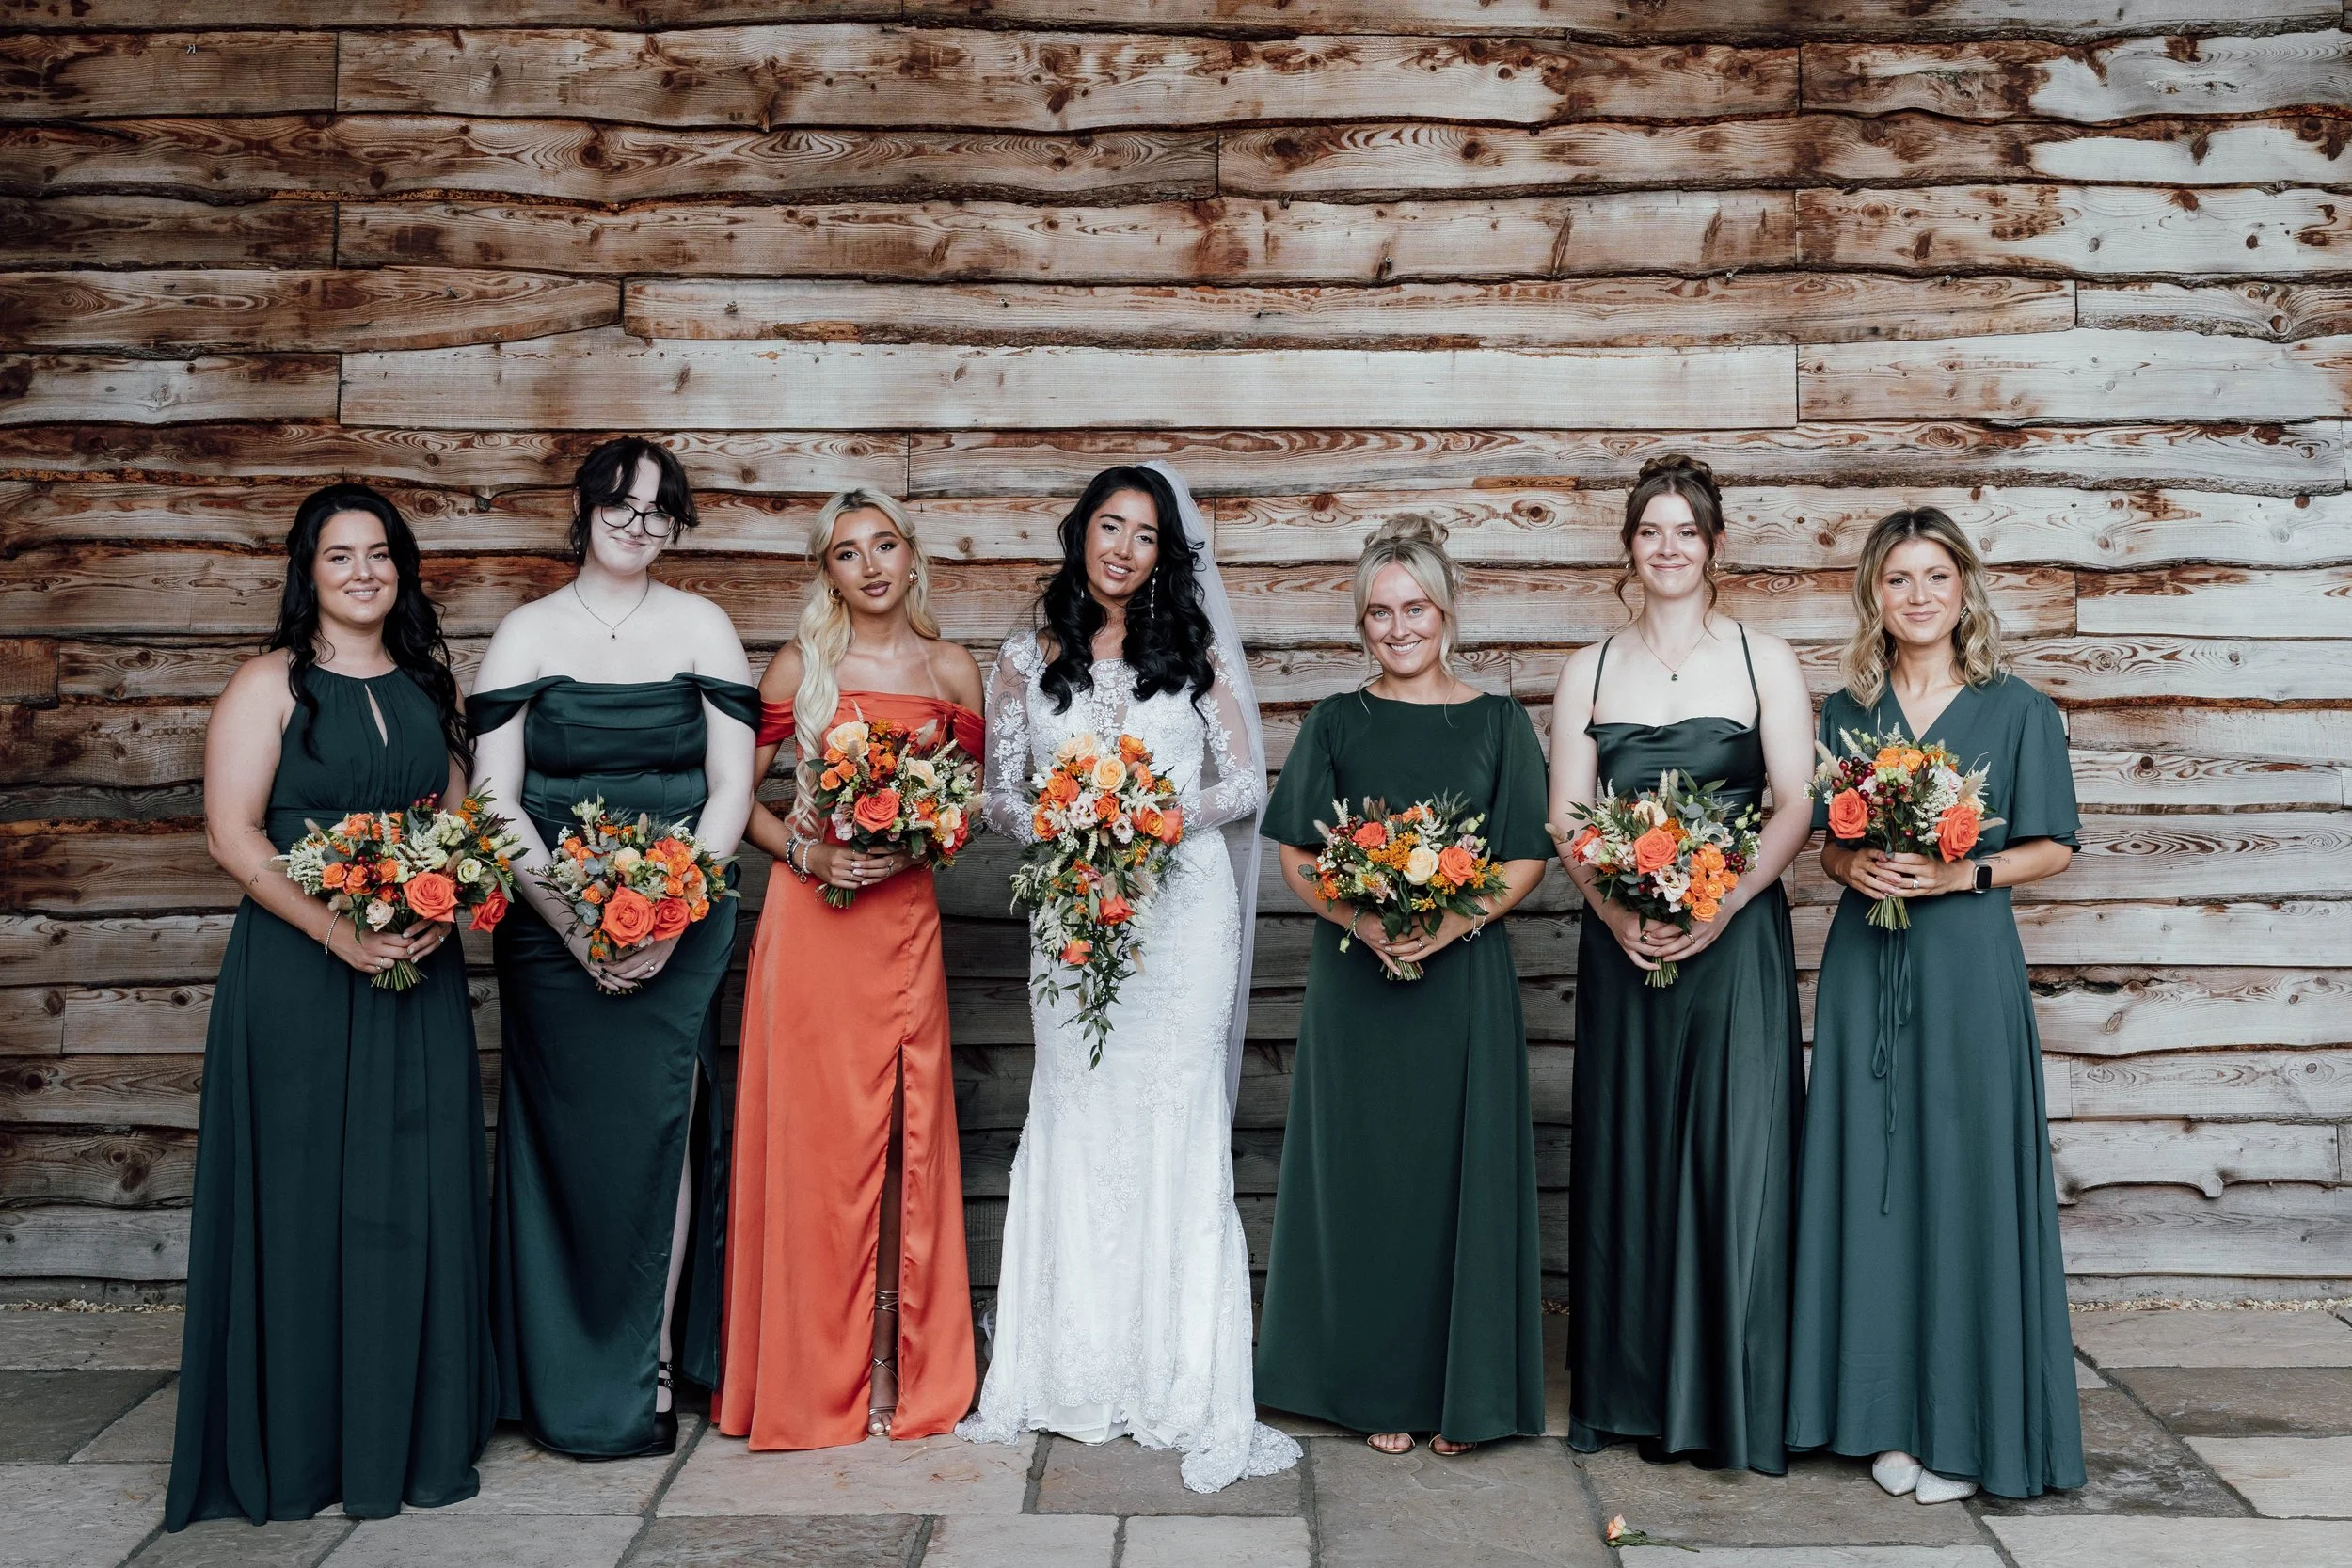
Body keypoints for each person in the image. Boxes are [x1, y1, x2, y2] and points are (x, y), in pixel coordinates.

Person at [957, 462, 1298, 1494]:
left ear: (1165, 555)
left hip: (1182, 910)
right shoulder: (1024, 657)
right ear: (1080, 532)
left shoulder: (1192, 655)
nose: (1122, 548)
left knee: (1171, 1106)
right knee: (1080, 1104)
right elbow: (996, 796)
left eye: (1144, 536)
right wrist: (1069, 818)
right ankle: (1069, 1363)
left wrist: (1152, 814)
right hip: (1071, 912)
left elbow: (1243, 780)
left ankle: (1177, 1371)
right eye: (1109, 526)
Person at [168, 484, 494, 1528]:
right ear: (307, 571)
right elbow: (233, 834)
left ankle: (404, 1436)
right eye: (339, 555)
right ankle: (300, 1443)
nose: (364, 571)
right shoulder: (267, 683)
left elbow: (453, 820)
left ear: (402, 566)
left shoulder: (428, 683)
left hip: (415, 971)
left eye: (380, 553)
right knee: (306, 1196)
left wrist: (443, 903)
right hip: (301, 976)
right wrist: (339, 932)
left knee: (412, 1195)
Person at [1788, 506, 2086, 1503]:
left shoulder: (2017, 710)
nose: (1918, 596)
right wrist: (1850, 859)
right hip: (1868, 964)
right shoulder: (1845, 712)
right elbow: (1822, 845)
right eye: (1897, 579)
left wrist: (1965, 877)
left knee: (1960, 1180)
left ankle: (1965, 1423)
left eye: (1935, 577)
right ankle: (1885, 1411)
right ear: (1874, 593)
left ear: (1965, 589)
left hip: (1966, 971)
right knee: (1874, 1177)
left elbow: (2055, 844)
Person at [469, 437, 758, 1458]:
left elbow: (732, 787)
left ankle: (657, 1362)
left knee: (660, 1129)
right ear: (583, 510)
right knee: (563, 1137)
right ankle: (551, 1367)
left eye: (658, 511)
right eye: (620, 506)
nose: (638, 526)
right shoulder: (524, 633)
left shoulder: (704, 626)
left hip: (686, 918)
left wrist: (668, 910)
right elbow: (494, 796)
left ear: (675, 525)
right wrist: (573, 915)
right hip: (552, 931)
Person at [1255, 514, 1553, 1457]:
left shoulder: (1499, 721)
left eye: (1412, 606)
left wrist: (1448, 925)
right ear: (1361, 621)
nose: (1397, 626)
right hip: (1359, 990)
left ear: (1445, 609)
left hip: (1460, 988)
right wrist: (1366, 921)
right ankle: (1375, 1384)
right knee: (1373, 1183)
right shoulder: (1338, 722)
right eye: (1378, 611)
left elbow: (1523, 859)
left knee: (1454, 1176)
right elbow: (1299, 857)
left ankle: (1461, 1392)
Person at [1549, 455, 1814, 1473]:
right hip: (1626, 946)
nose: (1667, 547)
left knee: (1733, 1158)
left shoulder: (1762, 660)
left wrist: (1726, 900)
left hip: (1734, 940)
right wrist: (1618, 912)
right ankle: (1632, 1391)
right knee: (1634, 1149)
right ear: (1629, 546)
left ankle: (1732, 1397)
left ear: (1714, 546)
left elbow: (1792, 799)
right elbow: (1570, 816)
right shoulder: (1589, 667)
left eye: (1685, 531)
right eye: (1650, 530)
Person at [718, 489, 984, 1449]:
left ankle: (897, 1368)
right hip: (812, 917)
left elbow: (964, 814)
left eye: (883, 545)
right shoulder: (802, 663)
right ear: (824, 570)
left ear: (913, 555)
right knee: (818, 1145)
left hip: (902, 920)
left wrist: (914, 838)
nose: (869, 565)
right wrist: (811, 853)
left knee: (905, 1135)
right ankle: (807, 1372)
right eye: (845, 553)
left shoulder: (953, 669)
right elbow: (735, 801)